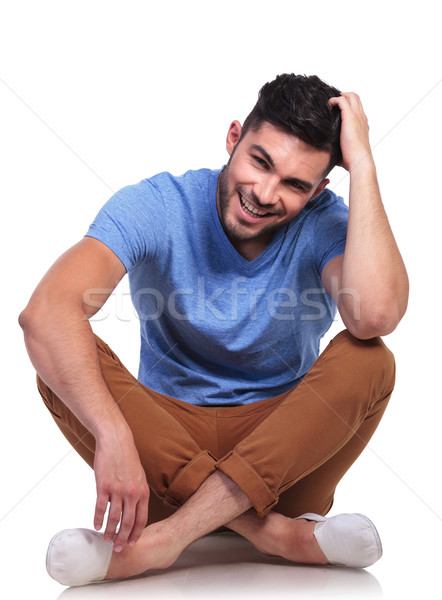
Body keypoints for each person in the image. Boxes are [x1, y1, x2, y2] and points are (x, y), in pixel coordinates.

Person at [19, 74, 408, 587]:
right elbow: (44, 312)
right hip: (161, 452)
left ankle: (163, 542)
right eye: (259, 162)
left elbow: (375, 315)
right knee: (59, 356)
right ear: (233, 139)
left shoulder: (325, 222)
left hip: (285, 462)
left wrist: (364, 167)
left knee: (371, 358)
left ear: (319, 189)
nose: (264, 194)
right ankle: (276, 536)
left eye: (295, 185)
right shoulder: (160, 203)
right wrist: (114, 435)